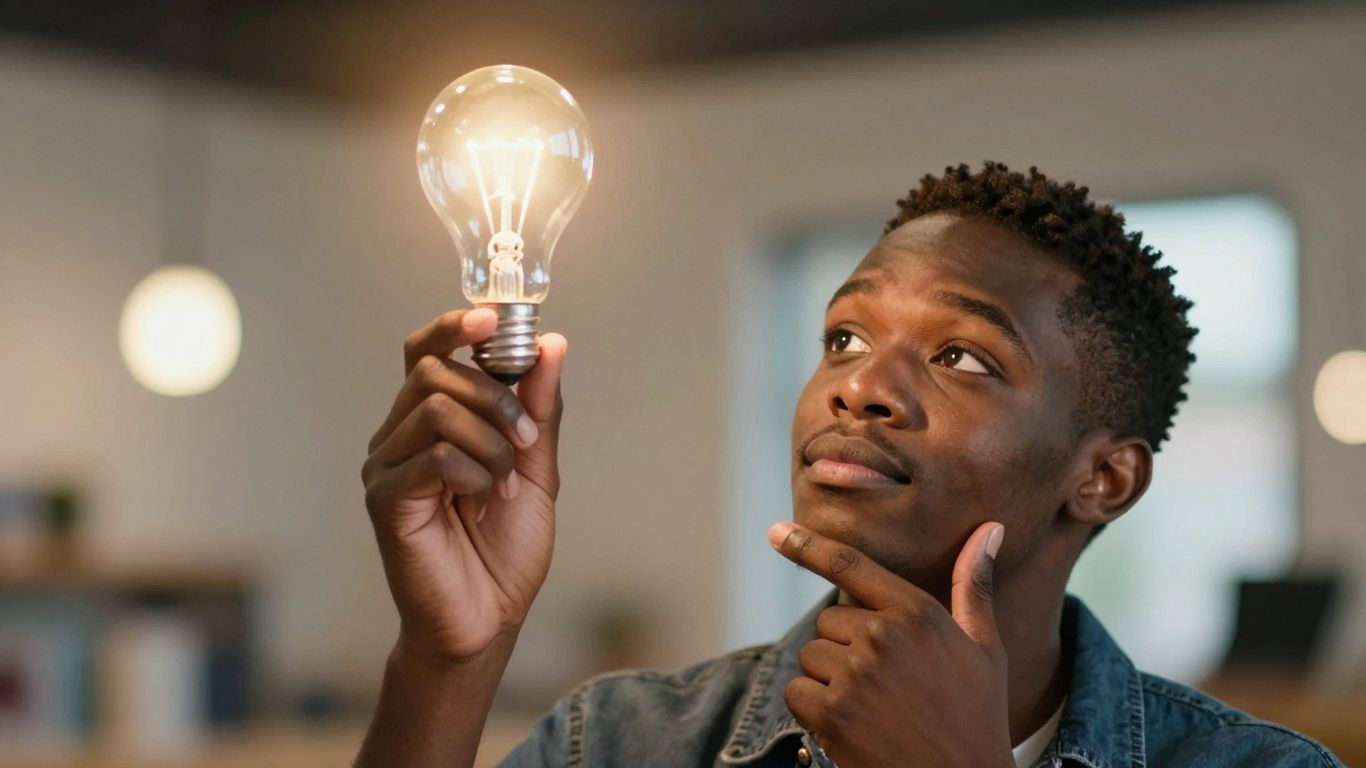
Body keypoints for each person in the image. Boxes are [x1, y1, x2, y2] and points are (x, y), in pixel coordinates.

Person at [354, 162, 1344, 768]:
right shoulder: (620, 744)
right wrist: (449, 661)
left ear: (1103, 479)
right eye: (842, 337)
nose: (859, 387)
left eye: (962, 357)